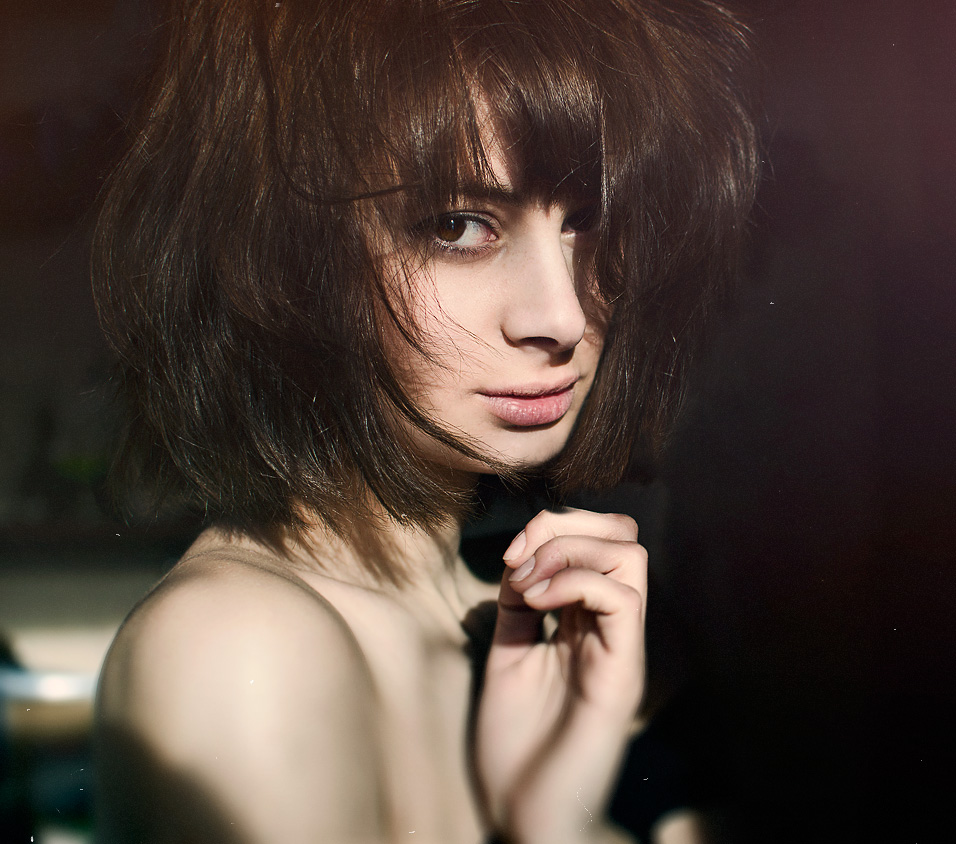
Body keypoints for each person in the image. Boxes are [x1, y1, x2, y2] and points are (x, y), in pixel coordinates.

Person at [90, 0, 758, 841]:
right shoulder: (238, 651)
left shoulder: (519, 637)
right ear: (287, 256)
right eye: (458, 226)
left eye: (585, 220)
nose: (559, 315)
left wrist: (551, 821)